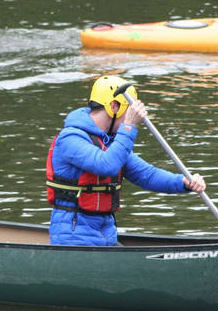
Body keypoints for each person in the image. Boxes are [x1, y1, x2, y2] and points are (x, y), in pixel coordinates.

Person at [45, 76, 206, 246]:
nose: (133, 116)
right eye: (129, 110)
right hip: (74, 238)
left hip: (106, 234)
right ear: (114, 106)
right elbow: (106, 166)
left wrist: (183, 182)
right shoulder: (70, 138)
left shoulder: (111, 142)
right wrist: (128, 125)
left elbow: (147, 175)